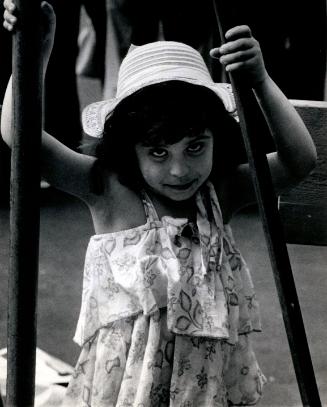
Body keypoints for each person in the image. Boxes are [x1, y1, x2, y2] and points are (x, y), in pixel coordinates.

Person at [2, 1, 317, 406]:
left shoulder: (219, 191)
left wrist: (259, 79)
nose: (180, 170)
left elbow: (300, 161)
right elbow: (19, 135)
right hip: (124, 392)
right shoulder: (108, 189)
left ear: (217, 138)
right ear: (128, 148)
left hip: (205, 390)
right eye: (158, 153)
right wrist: (34, 53)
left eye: (195, 146)